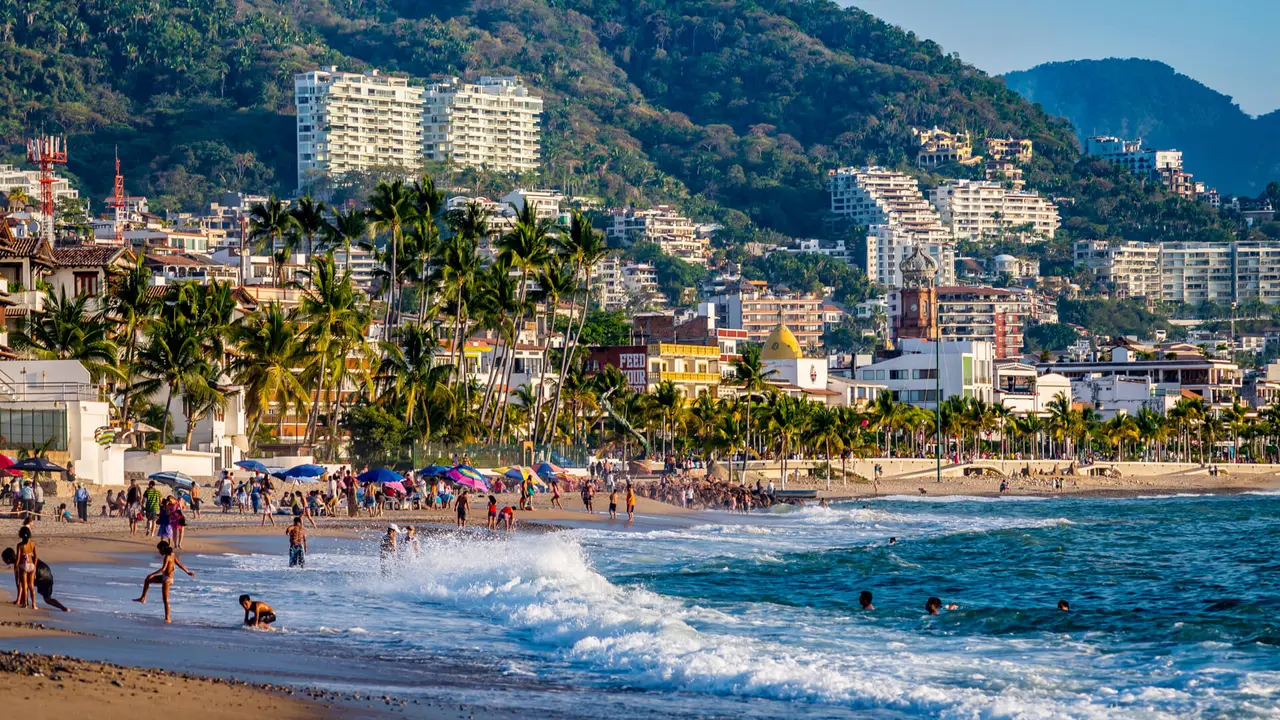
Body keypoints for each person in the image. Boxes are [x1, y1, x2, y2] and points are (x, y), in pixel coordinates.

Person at [133, 540, 195, 623]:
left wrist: (152, 574)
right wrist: (187, 572)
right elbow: (179, 564)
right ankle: (143, 598)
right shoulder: (172, 554)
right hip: (164, 577)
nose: (159, 552)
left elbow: (163, 568)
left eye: (159, 550)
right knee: (147, 580)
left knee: (165, 599)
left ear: (163, 549)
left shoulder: (167, 556)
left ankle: (168, 618)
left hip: (167, 580)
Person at [1, 547, 67, 611]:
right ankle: (64, 608)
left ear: (8, 560)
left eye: (3, 559)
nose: (2, 560)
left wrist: (18, 600)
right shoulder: (24, 556)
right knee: (47, 599)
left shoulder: (18, 564)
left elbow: (20, 585)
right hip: (47, 574)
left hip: (38, 574)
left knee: (24, 582)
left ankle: (25, 602)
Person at [13, 526, 37, 608]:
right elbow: (36, 557)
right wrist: (35, 565)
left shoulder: (20, 545)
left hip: (23, 565)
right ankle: (34, 604)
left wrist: (16, 567)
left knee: (24, 586)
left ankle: (25, 604)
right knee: (31, 586)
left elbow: (18, 558)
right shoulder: (32, 543)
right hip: (31, 565)